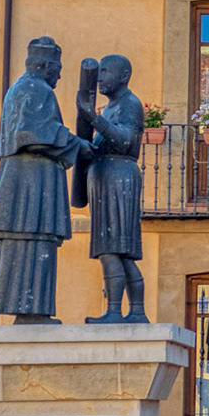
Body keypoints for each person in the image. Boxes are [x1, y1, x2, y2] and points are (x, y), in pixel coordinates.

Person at [0, 37, 87, 322]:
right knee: (35, 237)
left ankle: (30, 312)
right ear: (45, 65)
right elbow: (31, 135)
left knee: (33, 239)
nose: (60, 75)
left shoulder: (20, 89)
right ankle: (31, 312)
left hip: (24, 178)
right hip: (31, 182)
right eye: (58, 68)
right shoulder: (37, 89)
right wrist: (77, 144)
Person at [78, 53, 147, 322]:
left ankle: (116, 312)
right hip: (108, 177)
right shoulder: (112, 107)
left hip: (119, 176)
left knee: (113, 247)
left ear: (124, 76)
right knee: (119, 249)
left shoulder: (129, 104)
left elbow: (124, 141)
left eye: (105, 72)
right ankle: (135, 312)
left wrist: (93, 120)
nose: (100, 78)